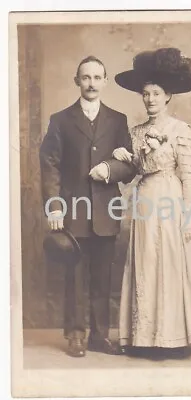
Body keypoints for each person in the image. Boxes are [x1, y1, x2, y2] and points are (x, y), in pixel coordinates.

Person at [113, 48, 191, 351]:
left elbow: (188, 176)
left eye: (156, 93)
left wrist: (187, 217)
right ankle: (145, 336)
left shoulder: (180, 130)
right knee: (146, 263)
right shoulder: (135, 132)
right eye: (146, 94)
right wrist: (123, 157)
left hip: (172, 202)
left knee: (170, 264)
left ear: (168, 95)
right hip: (145, 202)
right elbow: (134, 170)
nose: (150, 99)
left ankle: (172, 336)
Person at [39, 56, 135, 357]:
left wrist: (110, 169)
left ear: (105, 81)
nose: (91, 83)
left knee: (103, 278)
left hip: (106, 211)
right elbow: (49, 164)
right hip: (73, 211)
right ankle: (76, 336)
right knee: (76, 276)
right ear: (76, 81)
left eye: (97, 77)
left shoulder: (118, 120)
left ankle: (100, 336)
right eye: (86, 77)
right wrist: (54, 207)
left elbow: (130, 164)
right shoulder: (61, 119)